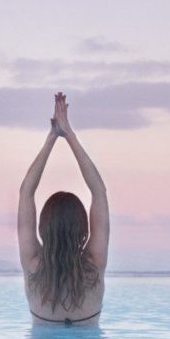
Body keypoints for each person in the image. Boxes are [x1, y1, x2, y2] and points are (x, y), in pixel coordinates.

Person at [18, 92, 109, 326]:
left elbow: (26, 192)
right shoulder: (94, 267)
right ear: (83, 228)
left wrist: (51, 138)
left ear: (42, 226)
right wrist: (69, 134)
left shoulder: (33, 266)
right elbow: (98, 191)